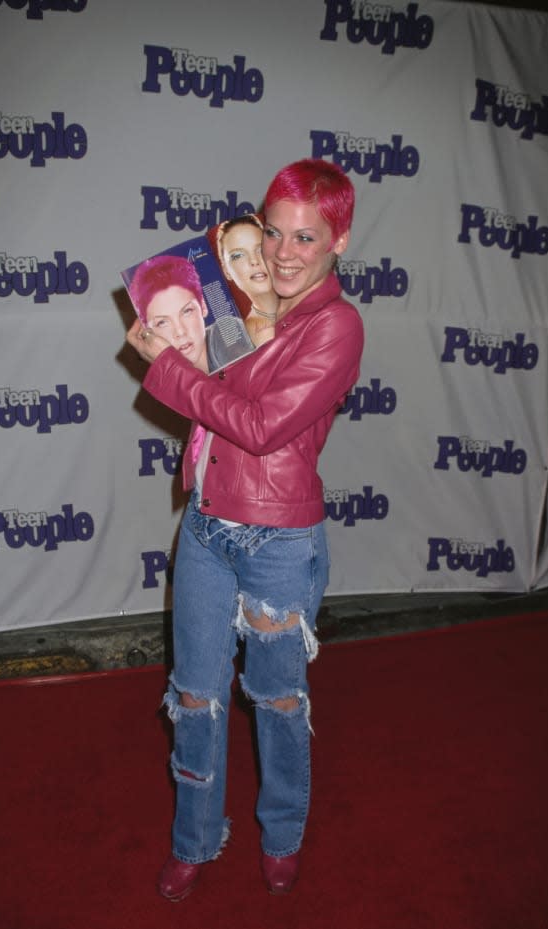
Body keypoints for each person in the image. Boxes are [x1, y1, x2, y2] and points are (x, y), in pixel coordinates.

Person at [127, 158, 364, 898]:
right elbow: (211, 413)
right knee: (194, 697)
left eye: (306, 238)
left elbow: (259, 428)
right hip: (204, 528)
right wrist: (183, 328)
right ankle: (194, 839)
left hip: (277, 542)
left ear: (339, 242)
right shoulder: (233, 298)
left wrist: (165, 366)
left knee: (278, 701)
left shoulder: (337, 325)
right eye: (273, 233)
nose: (284, 253)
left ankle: (283, 833)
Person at [129, 254, 253, 374]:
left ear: (203, 307)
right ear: (148, 332)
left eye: (187, 311)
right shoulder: (166, 381)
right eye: (162, 322)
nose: (180, 332)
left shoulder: (226, 333)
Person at [216, 213, 278, 347]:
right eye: (238, 255)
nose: (254, 261)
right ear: (227, 271)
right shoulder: (242, 339)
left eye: (260, 249)